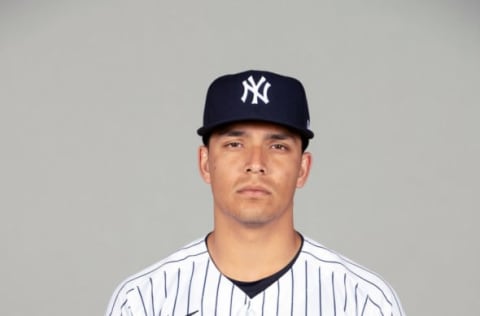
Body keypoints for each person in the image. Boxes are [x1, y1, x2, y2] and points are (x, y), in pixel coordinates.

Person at [105, 70, 406, 316]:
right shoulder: (144, 301)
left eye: (278, 146)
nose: (256, 164)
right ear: (205, 163)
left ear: (303, 168)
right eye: (235, 144)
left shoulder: (363, 302)